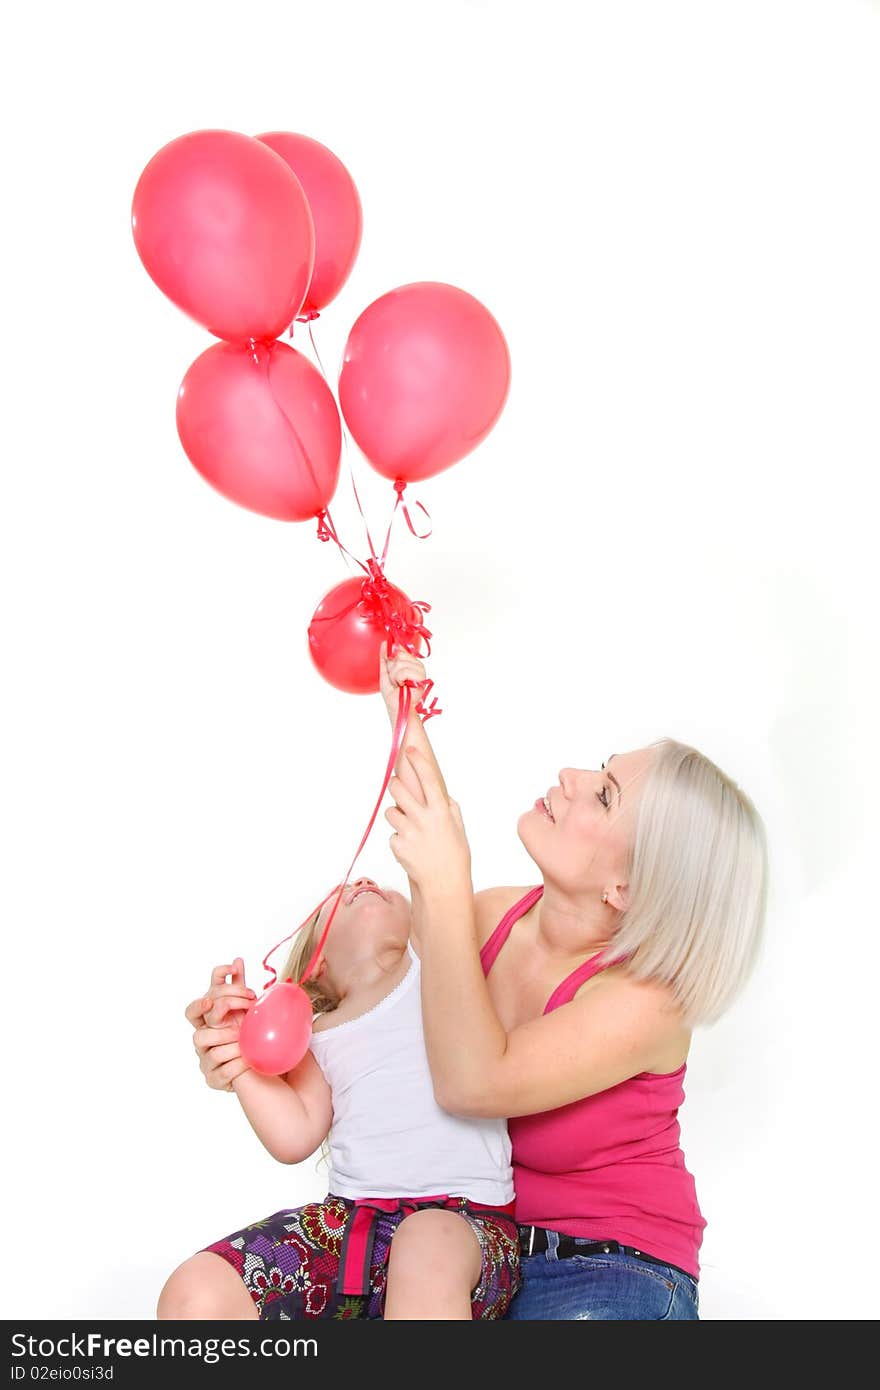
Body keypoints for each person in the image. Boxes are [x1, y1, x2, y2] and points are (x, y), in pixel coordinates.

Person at [379, 643, 768, 1321]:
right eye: (598, 768)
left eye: (604, 794)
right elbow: (412, 941)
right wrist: (407, 721)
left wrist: (446, 882)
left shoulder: (648, 1002)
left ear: (628, 885)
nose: (568, 775)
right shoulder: (497, 914)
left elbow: (473, 1083)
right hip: (481, 1253)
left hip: (615, 1270)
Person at [157, 882, 521, 1321]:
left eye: (375, 882)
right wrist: (239, 1054)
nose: (363, 882)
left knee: (426, 1243)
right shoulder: (316, 1036)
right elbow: (293, 1136)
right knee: (195, 1291)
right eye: (343, 891)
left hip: (466, 1228)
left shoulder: (439, 968)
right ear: (317, 961)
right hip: (349, 1229)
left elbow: (441, 893)